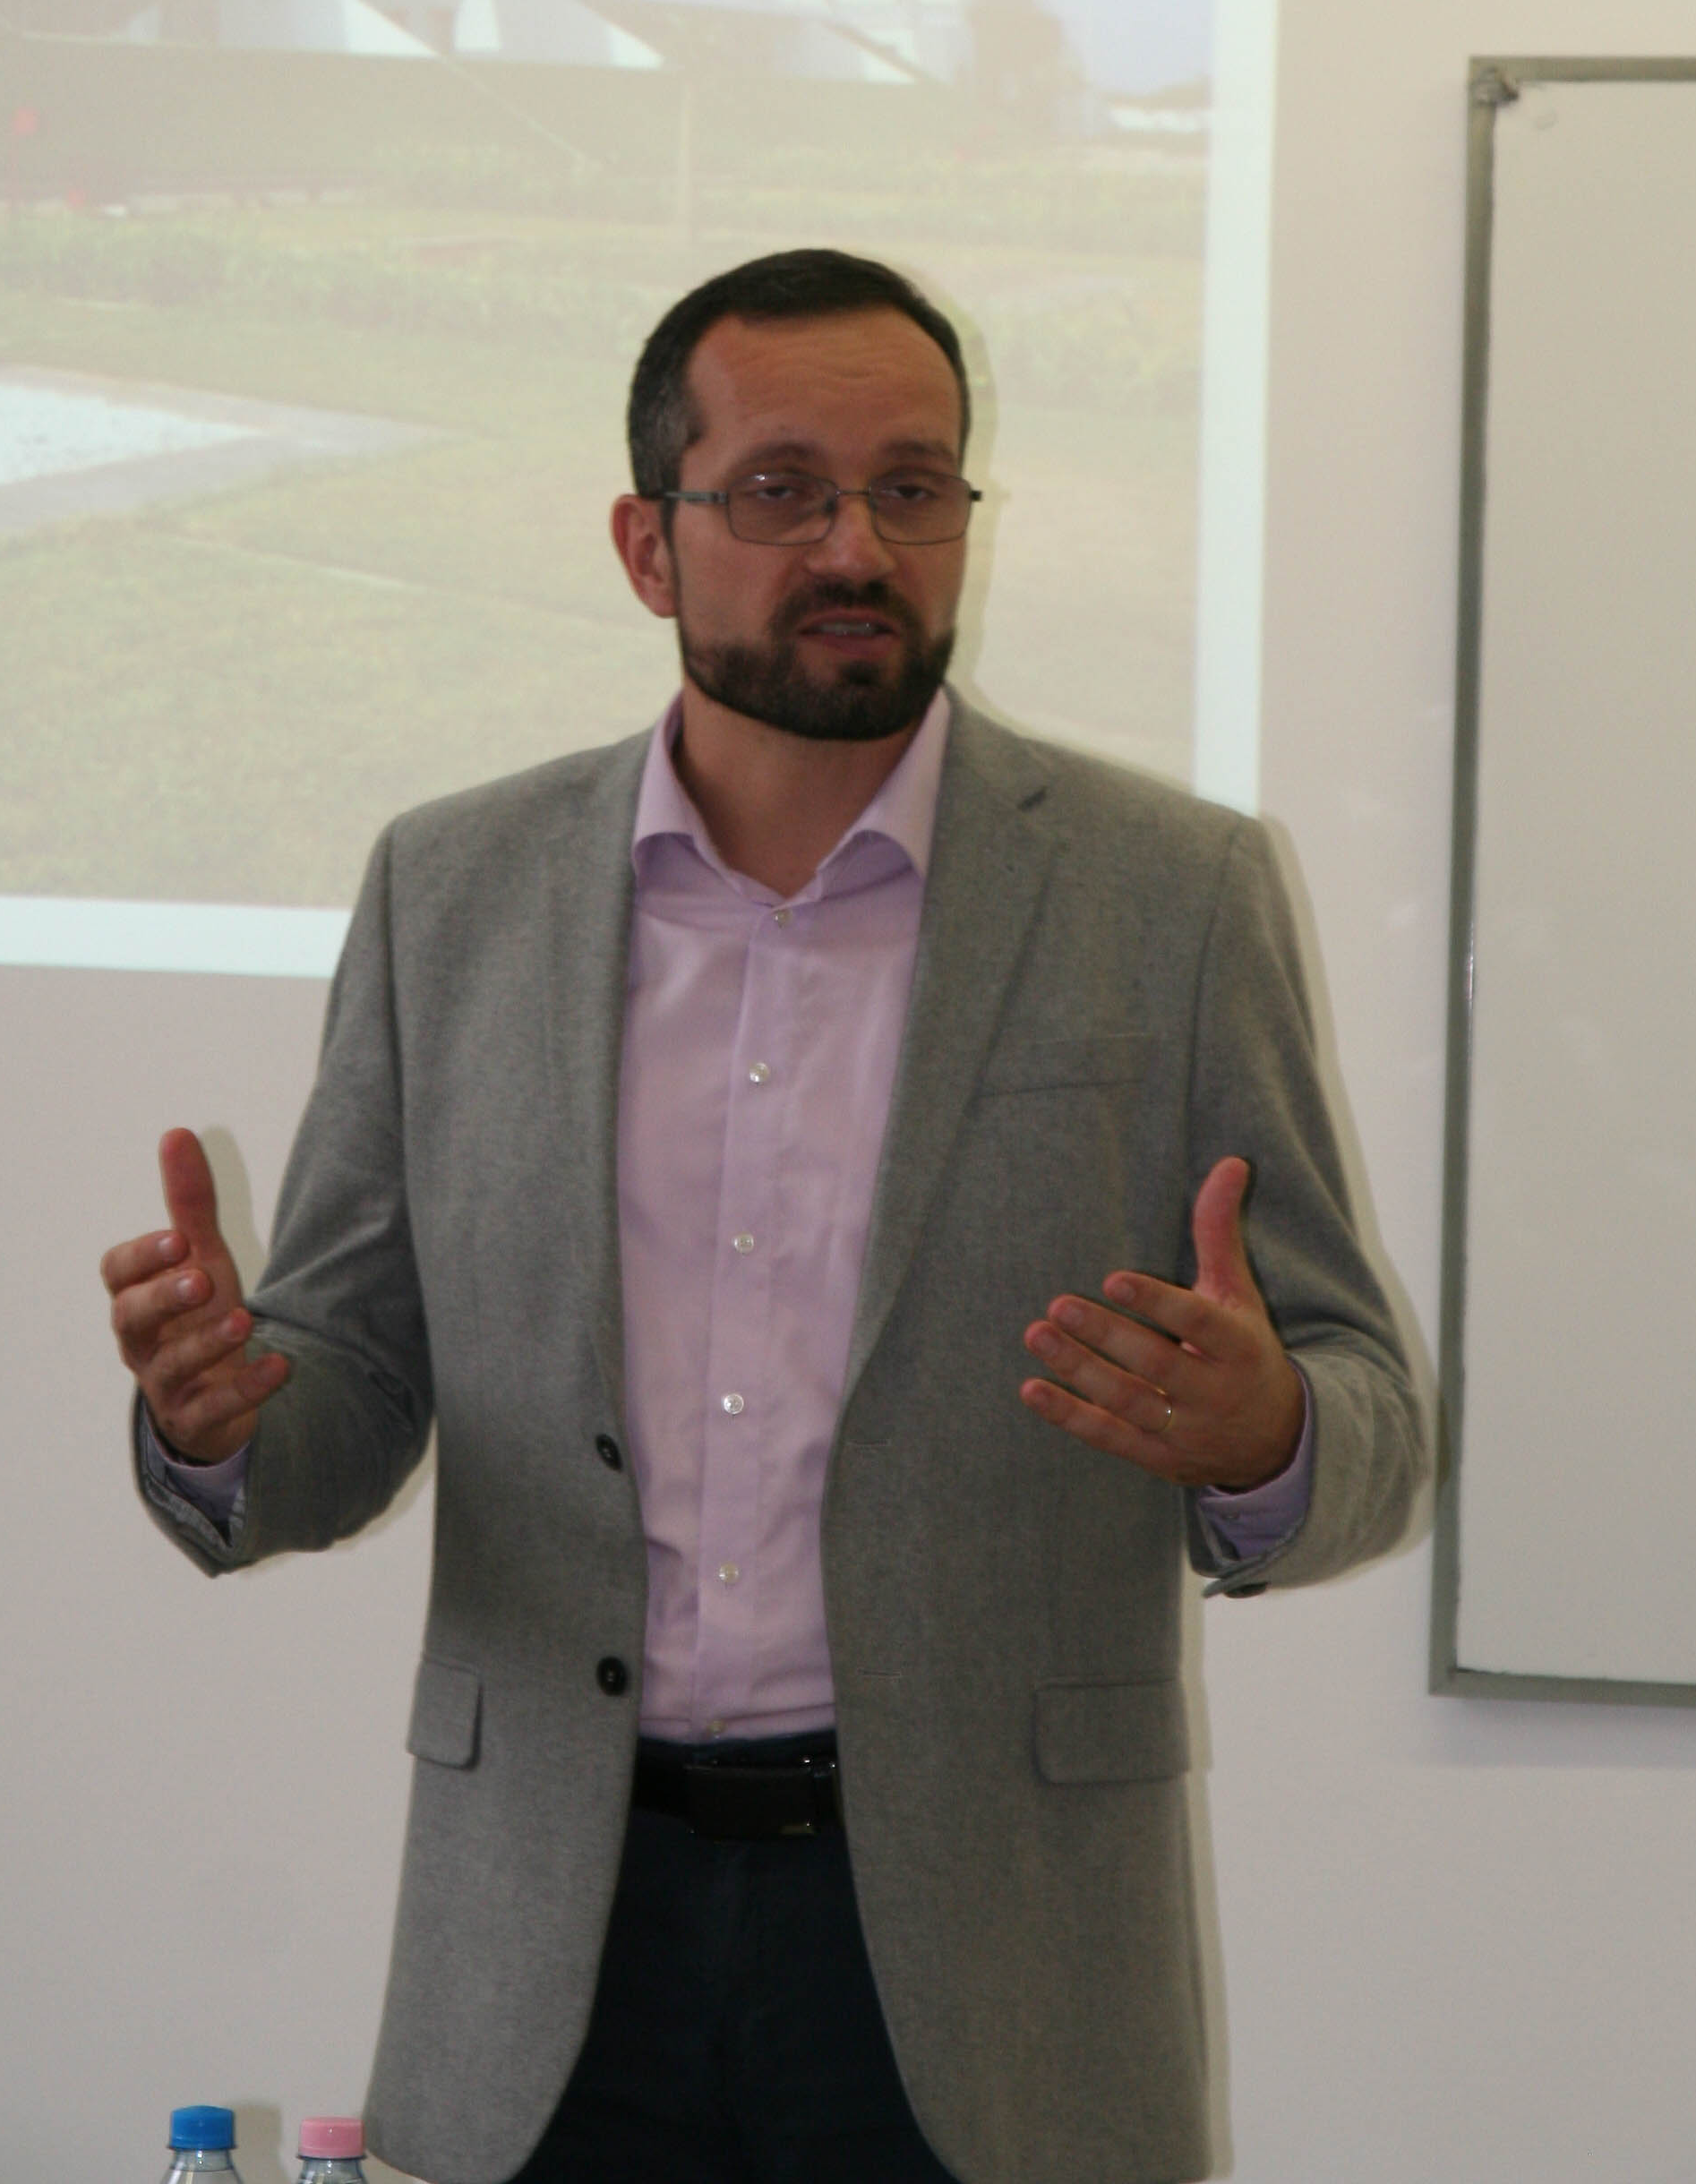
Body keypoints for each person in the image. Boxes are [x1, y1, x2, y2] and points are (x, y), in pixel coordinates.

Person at [102, 247, 1425, 2184]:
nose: (859, 547)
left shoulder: (1172, 895)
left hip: (989, 1959)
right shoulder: (453, 891)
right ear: (650, 544)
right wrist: (224, 1419)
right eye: (785, 491)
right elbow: (352, 1380)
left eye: (913, 488)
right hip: (555, 1937)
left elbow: (1369, 1406)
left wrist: (1271, 1434)